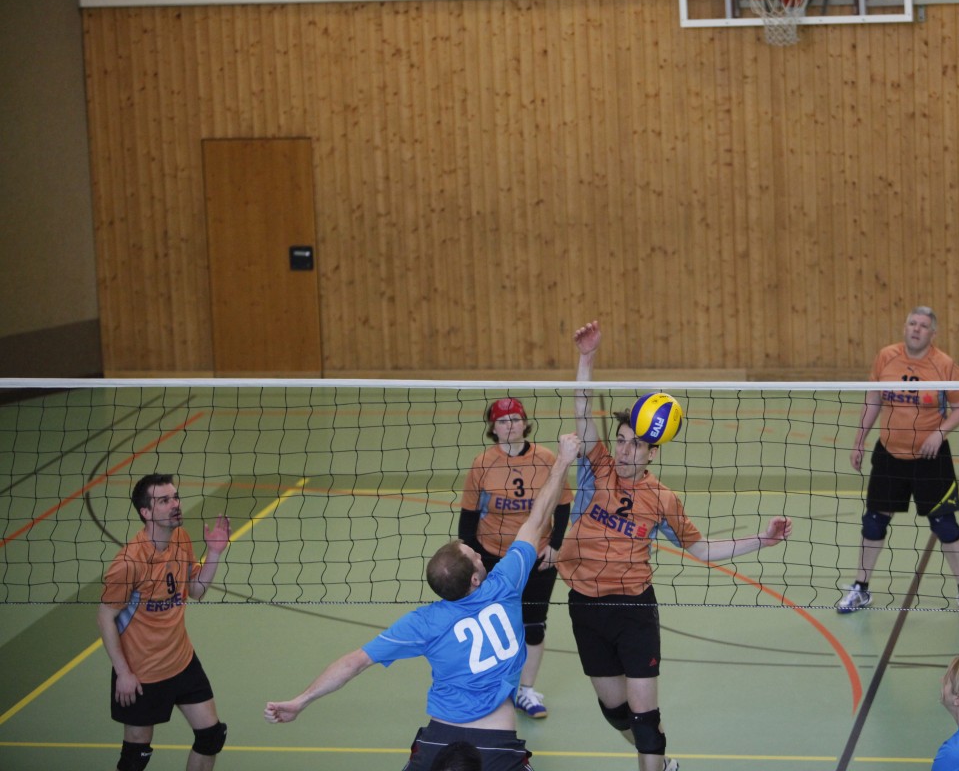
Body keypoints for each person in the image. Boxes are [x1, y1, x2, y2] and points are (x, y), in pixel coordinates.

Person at [265, 432, 582, 771]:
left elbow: (354, 662)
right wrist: (563, 460)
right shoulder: (505, 584)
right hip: (496, 742)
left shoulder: (424, 622)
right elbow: (538, 518)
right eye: (475, 556)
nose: (479, 554)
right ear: (475, 579)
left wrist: (301, 700)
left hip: (438, 738)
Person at [559, 320, 793, 771]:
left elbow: (700, 550)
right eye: (621, 441)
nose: (624, 451)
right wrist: (587, 358)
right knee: (615, 713)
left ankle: (654, 755)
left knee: (645, 721)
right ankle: (661, 760)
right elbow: (583, 411)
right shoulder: (597, 467)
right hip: (585, 607)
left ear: (653, 452)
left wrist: (761, 540)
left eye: (635, 445)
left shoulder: (662, 499)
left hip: (634, 610)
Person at [837, 305, 959, 615]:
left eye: (923, 325)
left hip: (931, 458)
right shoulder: (886, 357)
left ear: (933, 333)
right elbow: (873, 399)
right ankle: (860, 588)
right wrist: (858, 441)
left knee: (945, 524)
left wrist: (939, 433)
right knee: (874, 522)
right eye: (912, 323)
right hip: (889, 454)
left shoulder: (945, 366)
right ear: (905, 327)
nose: (916, 329)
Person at [97, 473, 231, 771]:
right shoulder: (129, 563)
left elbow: (195, 590)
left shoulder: (180, 538)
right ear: (146, 512)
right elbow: (105, 618)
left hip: (182, 661)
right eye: (165, 500)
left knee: (212, 737)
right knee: (135, 758)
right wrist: (123, 673)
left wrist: (214, 553)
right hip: (142, 673)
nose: (175, 504)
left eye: (176, 497)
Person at [458, 397, 573, 719]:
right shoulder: (482, 463)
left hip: (537, 555)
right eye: (502, 421)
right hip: (492, 556)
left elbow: (563, 504)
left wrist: (556, 545)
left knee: (533, 625)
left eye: (515, 419)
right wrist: (471, 557)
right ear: (493, 428)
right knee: (491, 624)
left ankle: (526, 691)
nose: (510, 426)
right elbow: (468, 516)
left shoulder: (547, 459)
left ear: (525, 423)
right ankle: (490, 687)